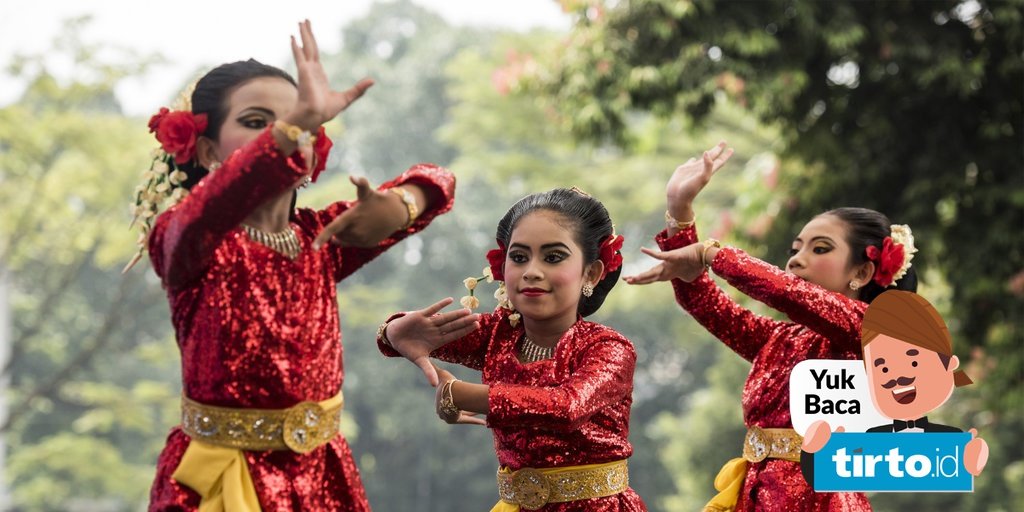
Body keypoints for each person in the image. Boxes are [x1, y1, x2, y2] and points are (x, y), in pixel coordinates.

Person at [138, 21, 456, 511]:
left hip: (324, 483)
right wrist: (293, 125)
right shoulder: (186, 242)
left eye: (300, 122)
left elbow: (440, 181)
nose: (288, 132)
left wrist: (400, 207)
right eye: (255, 121)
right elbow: (204, 212)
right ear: (205, 150)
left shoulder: (321, 238)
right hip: (221, 486)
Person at [624, 142, 920, 511]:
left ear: (862, 272)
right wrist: (679, 212)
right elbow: (709, 305)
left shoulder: (870, 331)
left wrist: (712, 253)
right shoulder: (782, 339)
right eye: (797, 248)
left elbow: (785, 291)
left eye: (820, 249)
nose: (797, 259)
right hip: (757, 497)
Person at [376, 188, 647, 511]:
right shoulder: (498, 334)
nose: (531, 271)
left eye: (553, 257)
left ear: (591, 272)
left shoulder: (607, 349)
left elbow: (565, 408)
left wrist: (459, 393)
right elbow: (414, 338)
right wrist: (393, 331)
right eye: (519, 257)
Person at [802, 290, 988, 477]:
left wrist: (970, 459)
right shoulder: (870, 439)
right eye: (883, 369)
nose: (897, 378)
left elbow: (964, 467)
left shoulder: (951, 441)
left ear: (949, 363)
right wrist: (813, 453)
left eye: (913, 363)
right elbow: (827, 470)